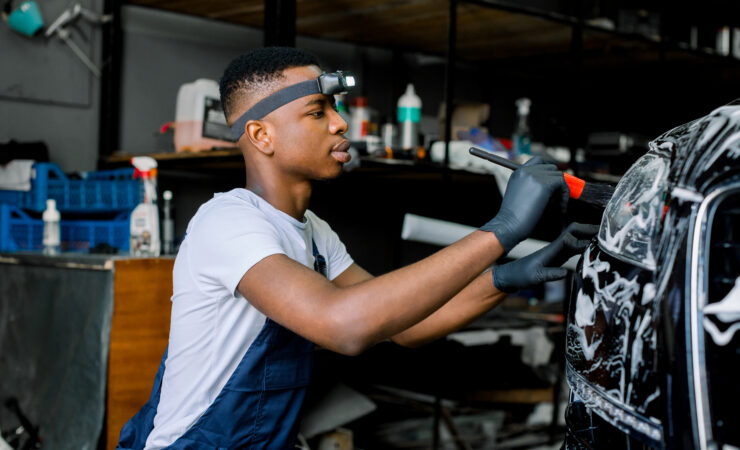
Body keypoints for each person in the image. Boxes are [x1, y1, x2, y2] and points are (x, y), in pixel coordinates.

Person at [117, 47, 597, 449]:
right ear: (261, 135)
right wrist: (504, 228)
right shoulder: (229, 223)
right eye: (317, 112)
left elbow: (406, 327)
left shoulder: (313, 232)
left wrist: (504, 276)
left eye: (335, 109)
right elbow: (344, 325)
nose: (340, 124)